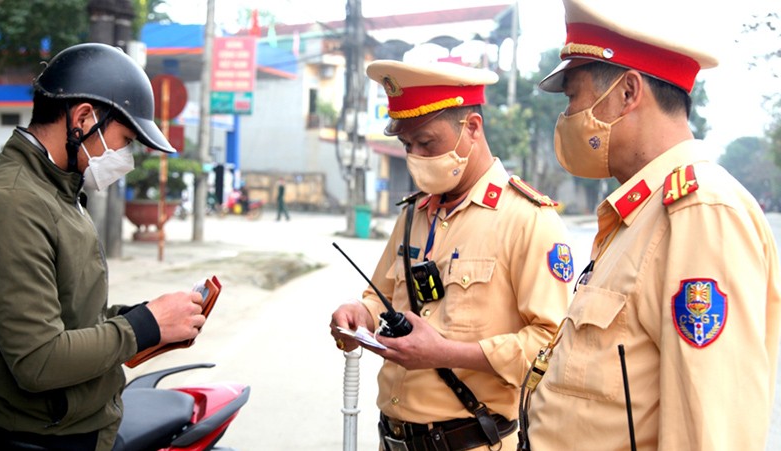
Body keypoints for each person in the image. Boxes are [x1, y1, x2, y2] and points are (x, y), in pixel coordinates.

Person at [522, 1, 781, 450]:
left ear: (627, 92)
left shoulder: (700, 213)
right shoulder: (639, 213)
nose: (565, 118)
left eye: (572, 97)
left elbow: (708, 433)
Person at [329, 60, 574, 451]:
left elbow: (552, 346)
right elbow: (382, 296)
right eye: (407, 146)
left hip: (472, 441)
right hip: (392, 439)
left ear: (472, 128)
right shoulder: (414, 214)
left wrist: (448, 353)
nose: (416, 158)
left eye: (427, 143)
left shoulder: (528, 220)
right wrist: (361, 315)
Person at [0, 43, 207, 450]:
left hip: (83, 423)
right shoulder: (12, 203)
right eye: (124, 140)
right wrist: (143, 327)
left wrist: (147, 318)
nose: (125, 157)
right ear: (83, 117)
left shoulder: (57, 190)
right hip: (43, 436)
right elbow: (39, 360)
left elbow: (71, 316)